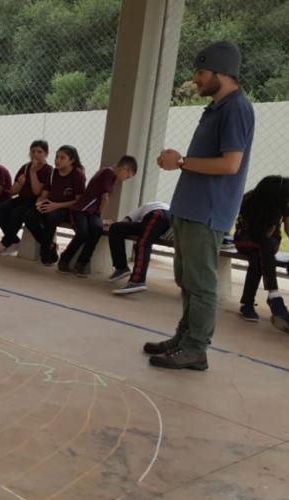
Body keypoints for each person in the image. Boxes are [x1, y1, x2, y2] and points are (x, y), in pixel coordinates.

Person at [147, 41, 256, 371]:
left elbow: (230, 165)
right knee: (187, 279)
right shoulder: (217, 108)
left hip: (207, 210)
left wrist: (180, 161)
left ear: (222, 74)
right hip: (190, 208)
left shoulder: (236, 108)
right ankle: (184, 337)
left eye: (201, 72)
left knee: (201, 283)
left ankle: (196, 348)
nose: (195, 79)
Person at [58, 156, 138, 277]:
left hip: (91, 213)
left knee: (97, 229)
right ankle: (64, 259)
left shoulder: (111, 176)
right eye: (128, 176)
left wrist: (98, 219)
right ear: (124, 169)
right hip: (80, 210)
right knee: (83, 233)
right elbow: (104, 198)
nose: (126, 179)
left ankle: (82, 262)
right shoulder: (108, 172)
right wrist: (99, 215)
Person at [233, 176, 289, 333]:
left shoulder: (282, 202)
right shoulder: (250, 200)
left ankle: (249, 304)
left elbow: (287, 231)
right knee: (261, 248)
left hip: (268, 244)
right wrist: (267, 234)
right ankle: (273, 298)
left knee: (261, 253)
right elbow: (254, 232)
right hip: (246, 239)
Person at [23, 145, 86, 265]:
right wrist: (39, 201)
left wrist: (57, 205)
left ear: (71, 160)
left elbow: (79, 200)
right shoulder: (53, 173)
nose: (58, 160)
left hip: (66, 208)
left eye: (62, 158)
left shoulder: (77, 175)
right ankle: (50, 245)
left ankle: (45, 251)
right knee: (28, 216)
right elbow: (45, 193)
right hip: (50, 204)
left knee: (51, 218)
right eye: (57, 157)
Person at [0, 140, 53, 255]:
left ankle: (5, 243)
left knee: (17, 213)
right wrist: (20, 183)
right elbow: (12, 191)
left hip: (35, 201)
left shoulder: (48, 170)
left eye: (39, 152)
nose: (35, 154)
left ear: (46, 154)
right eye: (33, 151)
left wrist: (33, 172)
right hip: (22, 198)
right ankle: (14, 240)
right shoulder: (25, 167)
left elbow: (37, 192)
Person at [108, 201, 171, 295]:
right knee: (115, 228)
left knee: (143, 243)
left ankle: (137, 281)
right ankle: (121, 268)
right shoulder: (161, 207)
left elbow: (126, 220)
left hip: (157, 215)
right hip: (166, 221)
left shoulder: (145, 207)